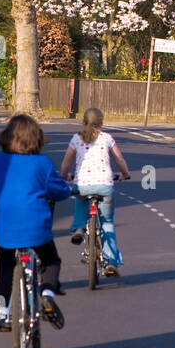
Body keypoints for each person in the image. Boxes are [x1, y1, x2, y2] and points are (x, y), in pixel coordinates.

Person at [0, 114, 70, 331]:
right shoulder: (42, 163)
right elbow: (60, 191)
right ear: (37, 138)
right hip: (36, 228)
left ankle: (1, 310)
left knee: (4, 264)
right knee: (51, 260)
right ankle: (46, 293)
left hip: (4, 227)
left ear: (6, 137)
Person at [60, 108, 130, 277]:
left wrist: (65, 176)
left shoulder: (76, 138)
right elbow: (119, 159)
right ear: (102, 124)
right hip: (105, 185)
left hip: (82, 184)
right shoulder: (107, 138)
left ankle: (78, 229)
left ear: (83, 122)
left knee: (80, 203)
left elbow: (66, 162)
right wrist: (125, 174)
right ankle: (111, 262)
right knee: (106, 223)